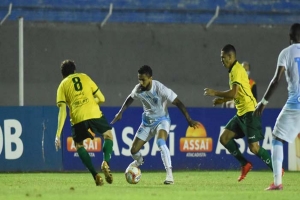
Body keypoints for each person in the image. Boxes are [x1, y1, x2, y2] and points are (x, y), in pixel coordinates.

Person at [111, 65, 201, 184]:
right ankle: (139, 161)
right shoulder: (138, 89)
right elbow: (130, 98)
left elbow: (178, 102)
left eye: (143, 79)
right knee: (133, 150)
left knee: (160, 142)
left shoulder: (160, 88)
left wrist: (189, 119)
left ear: (150, 78)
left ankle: (169, 175)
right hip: (147, 123)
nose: (140, 82)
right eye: (139, 79)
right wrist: (120, 112)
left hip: (162, 120)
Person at [204, 44, 274, 182]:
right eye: (220, 58)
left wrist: (215, 92)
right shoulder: (232, 70)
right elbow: (235, 95)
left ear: (230, 57)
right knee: (224, 138)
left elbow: (233, 93)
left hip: (250, 111)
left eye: (223, 58)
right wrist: (221, 100)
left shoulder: (236, 70)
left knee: (254, 148)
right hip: (241, 113)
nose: (221, 60)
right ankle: (245, 164)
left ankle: (277, 170)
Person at [254, 23, 300, 190]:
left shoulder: (286, 53)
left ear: (290, 37)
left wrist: (263, 102)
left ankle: (277, 182)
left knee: (277, 139)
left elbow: (276, 80)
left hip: (296, 105)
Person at [54, 60, 113, 186]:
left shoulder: (62, 85)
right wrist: (91, 102)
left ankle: (95, 175)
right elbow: (102, 98)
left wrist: (58, 134)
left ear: (62, 74)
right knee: (108, 135)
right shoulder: (85, 77)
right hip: (94, 113)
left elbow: (62, 111)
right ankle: (105, 162)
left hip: (77, 117)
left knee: (79, 145)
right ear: (74, 70)